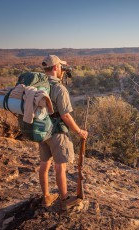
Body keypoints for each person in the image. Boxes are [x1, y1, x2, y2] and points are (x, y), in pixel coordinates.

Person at [39, 55, 88, 210]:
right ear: (55, 68)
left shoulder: (39, 85)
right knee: (60, 166)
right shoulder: (59, 88)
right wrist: (79, 131)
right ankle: (65, 199)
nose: (62, 70)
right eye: (60, 67)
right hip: (57, 132)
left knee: (44, 164)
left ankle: (46, 196)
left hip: (41, 130)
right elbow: (65, 115)